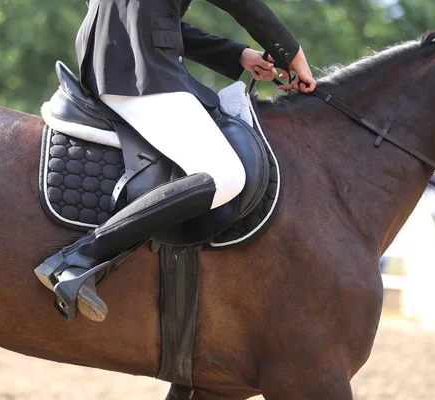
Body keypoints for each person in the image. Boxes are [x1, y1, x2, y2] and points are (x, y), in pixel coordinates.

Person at [37, 0, 317, 322]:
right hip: (138, 70)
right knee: (224, 175)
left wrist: (238, 55)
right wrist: (291, 55)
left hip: (115, 57)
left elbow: (150, 19)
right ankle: (77, 258)